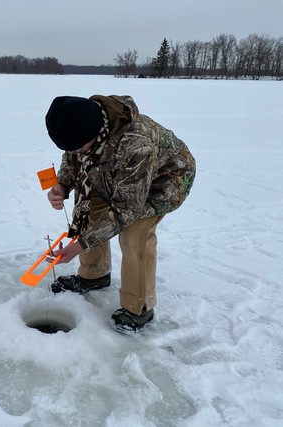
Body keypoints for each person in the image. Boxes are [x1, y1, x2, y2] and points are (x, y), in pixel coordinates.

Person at [44, 95, 196, 333]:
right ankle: (94, 275)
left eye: (77, 147)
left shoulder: (136, 144)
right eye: (68, 147)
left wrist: (80, 245)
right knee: (87, 208)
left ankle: (139, 306)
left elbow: (126, 210)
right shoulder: (82, 126)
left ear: (93, 133)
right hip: (114, 174)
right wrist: (62, 185)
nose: (73, 152)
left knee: (135, 235)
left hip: (163, 181)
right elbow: (73, 159)